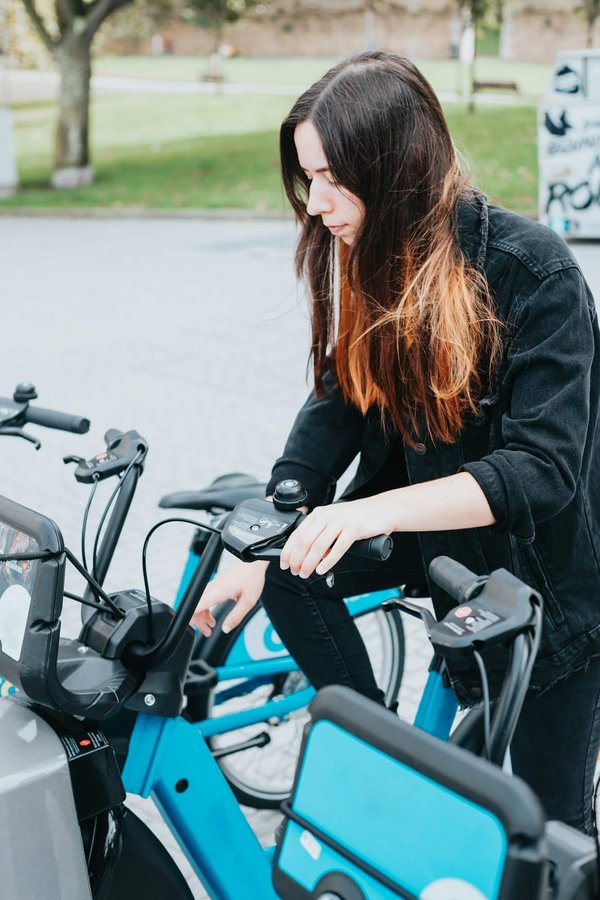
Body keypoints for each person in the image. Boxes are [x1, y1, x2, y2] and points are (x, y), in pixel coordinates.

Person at [193, 52, 600, 834]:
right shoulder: (374, 262)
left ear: (396, 171)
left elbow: (540, 471)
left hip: (543, 592)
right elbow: (338, 401)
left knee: (551, 832)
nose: (315, 204)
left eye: (330, 179)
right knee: (288, 558)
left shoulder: (533, 272)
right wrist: (273, 523)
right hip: (441, 550)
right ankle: (380, 749)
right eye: (307, 178)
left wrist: (371, 514)